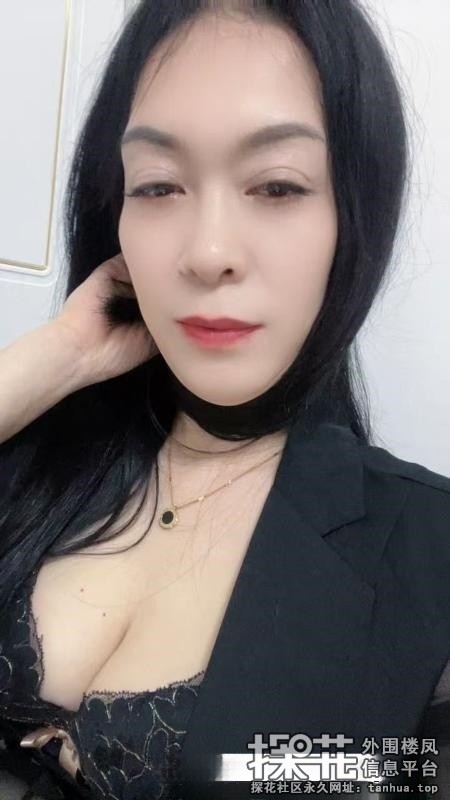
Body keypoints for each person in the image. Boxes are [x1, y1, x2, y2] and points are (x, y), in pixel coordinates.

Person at [0, 0, 449, 798]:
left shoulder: (427, 554)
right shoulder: (39, 438)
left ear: (355, 214)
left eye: (276, 185)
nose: (208, 252)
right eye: (158, 185)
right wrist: (55, 357)